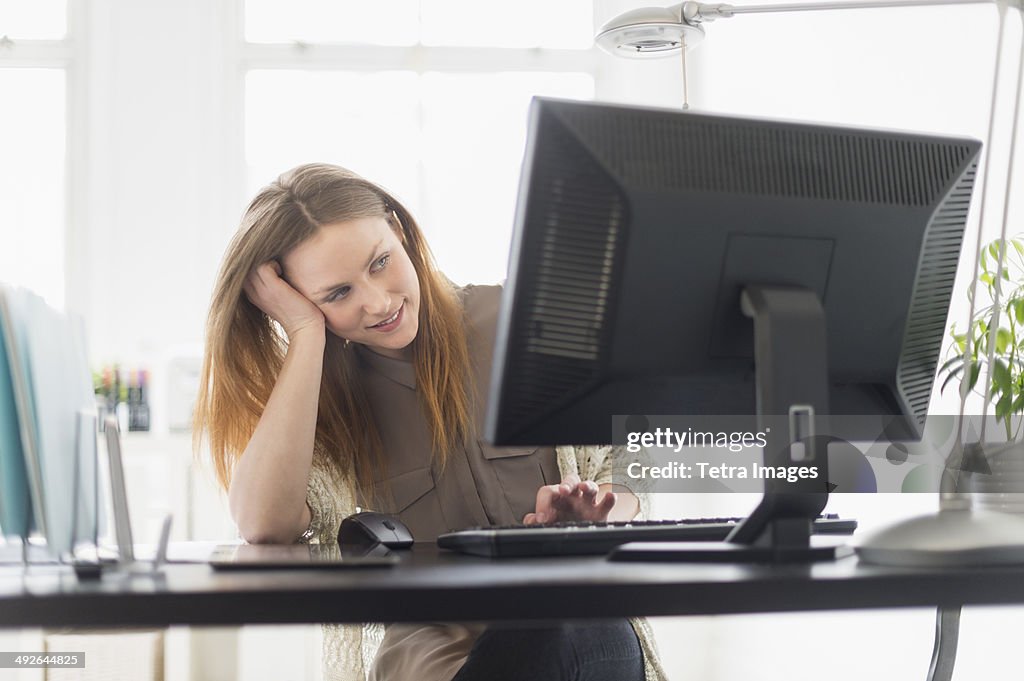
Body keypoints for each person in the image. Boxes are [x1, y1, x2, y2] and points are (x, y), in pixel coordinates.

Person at [194, 163, 667, 681]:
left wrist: (599, 513)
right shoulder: (324, 404)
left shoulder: (521, 318)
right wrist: (306, 334)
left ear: (400, 232)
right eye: (336, 294)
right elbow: (263, 523)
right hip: (440, 660)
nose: (377, 302)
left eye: (380, 262)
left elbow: (634, 451)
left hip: (582, 628)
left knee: (570, 618)